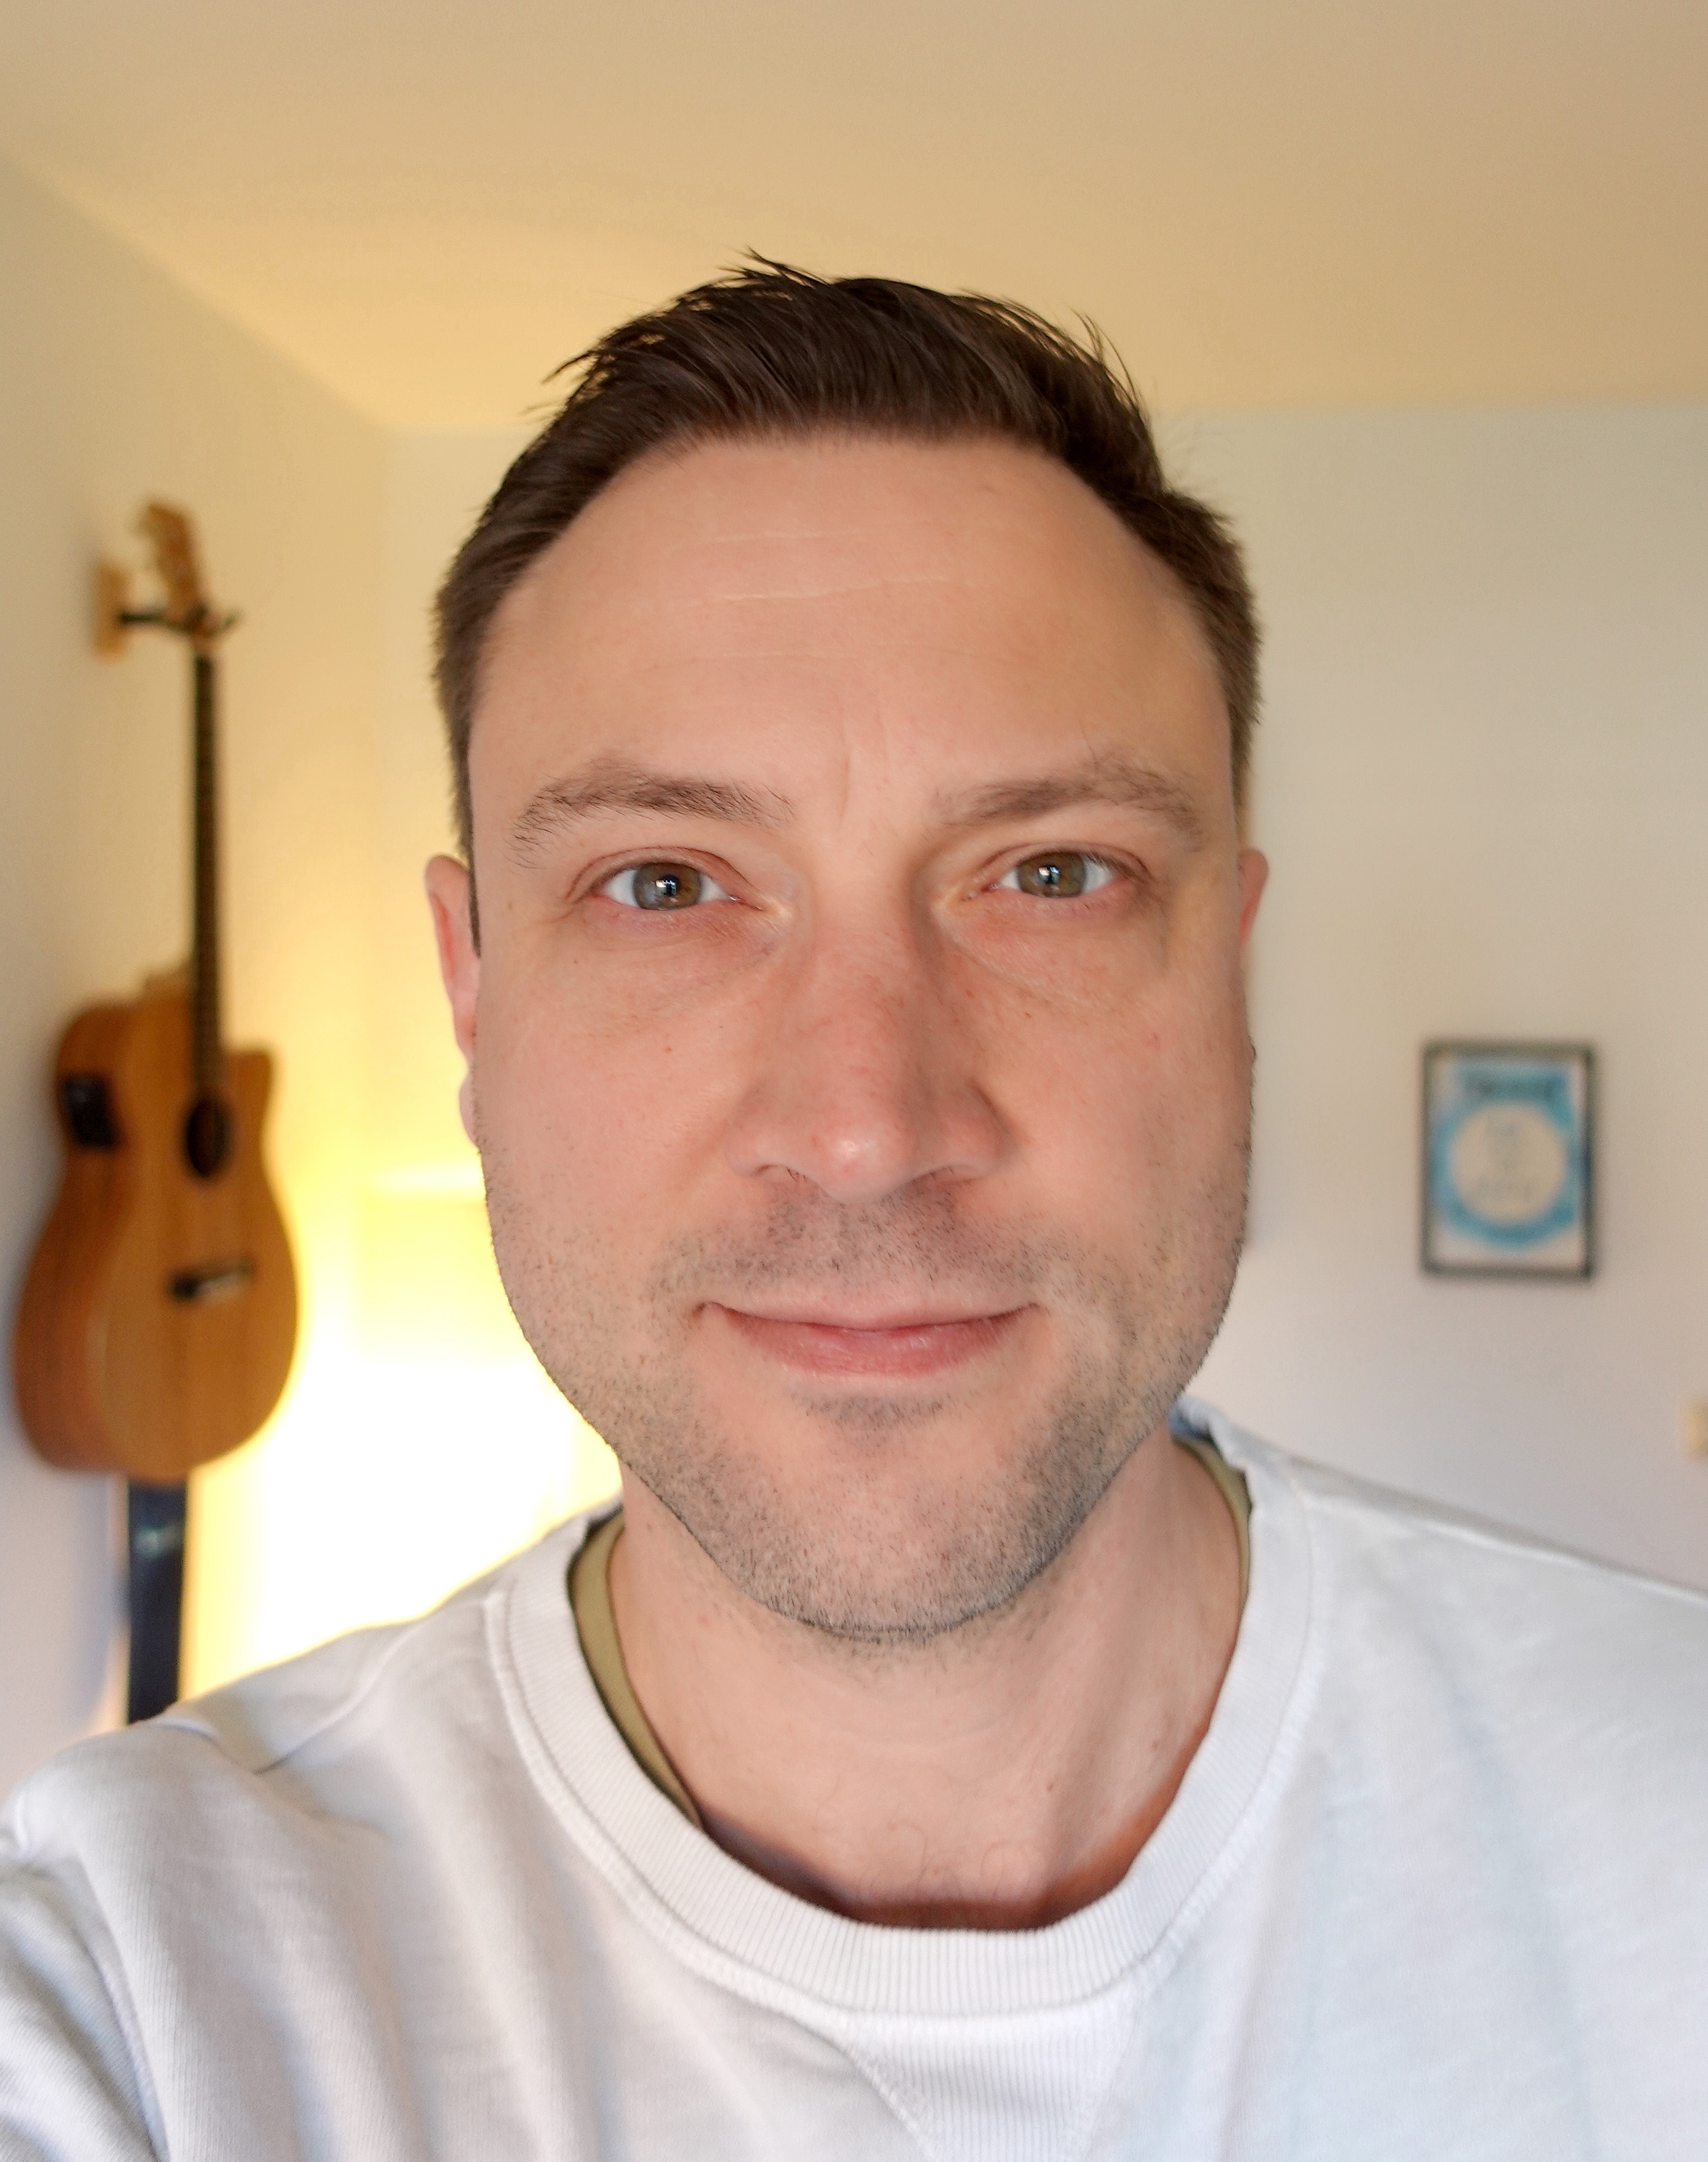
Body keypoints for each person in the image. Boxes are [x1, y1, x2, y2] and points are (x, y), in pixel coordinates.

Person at [3, 263, 1705, 2159]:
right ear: (471, 993)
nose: (867, 1129)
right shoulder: (129, 1999)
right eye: (665, 885)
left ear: (1228, 968)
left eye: (1050, 875)